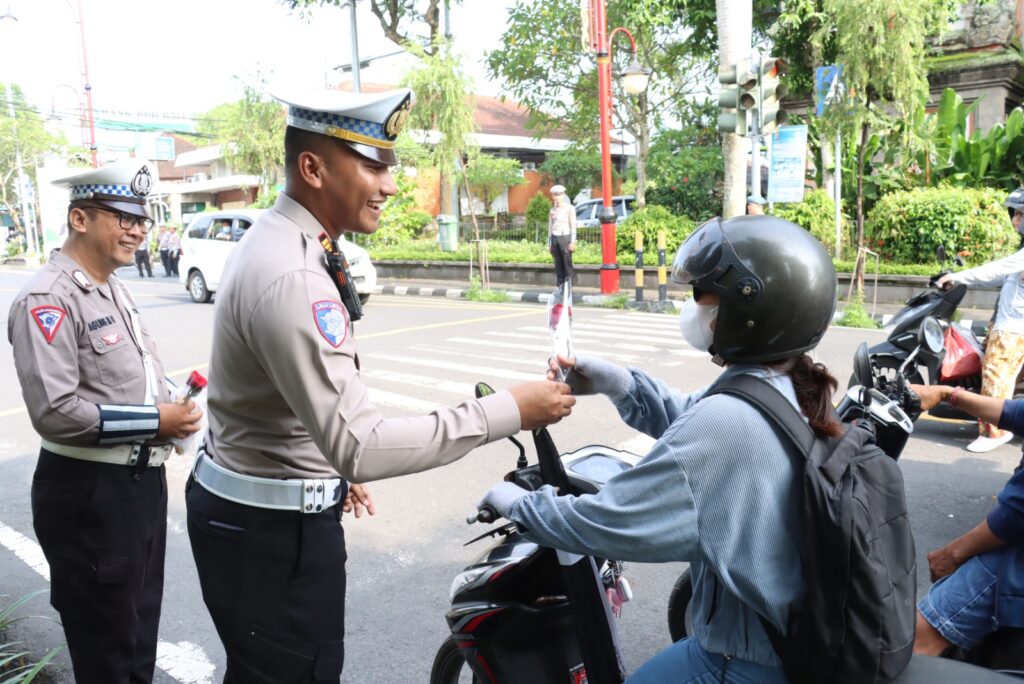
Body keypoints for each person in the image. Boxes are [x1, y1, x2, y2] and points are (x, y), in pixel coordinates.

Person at [185, 87, 576, 683]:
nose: (390, 184)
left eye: (388, 166)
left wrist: (328, 469)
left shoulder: (288, 240)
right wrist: (510, 411)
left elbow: (294, 405)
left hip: (254, 515)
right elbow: (361, 443)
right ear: (313, 168)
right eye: (372, 165)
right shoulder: (293, 273)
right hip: (270, 537)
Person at [481, 215, 839, 683]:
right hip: (784, 641)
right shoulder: (790, 383)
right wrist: (617, 382)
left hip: (741, 662)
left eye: (701, 294)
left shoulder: (729, 420)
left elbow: (605, 521)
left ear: (748, 306)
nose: (692, 306)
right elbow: (694, 413)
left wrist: (519, 503)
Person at [7, 159, 204, 683]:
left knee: (138, 637)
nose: (138, 230)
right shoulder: (48, 297)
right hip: (90, 493)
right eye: (122, 216)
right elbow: (56, 412)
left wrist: (173, 408)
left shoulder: (113, 287)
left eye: (141, 218)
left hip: (139, 486)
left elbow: (132, 378)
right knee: (107, 653)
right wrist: (156, 419)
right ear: (80, 219)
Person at [909, 383, 1024, 657]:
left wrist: (953, 553)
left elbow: (1016, 513)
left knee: (915, 641)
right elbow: (1017, 413)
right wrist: (948, 394)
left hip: (1017, 558)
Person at [936, 188, 1024, 452]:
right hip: (1010, 325)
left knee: (995, 378)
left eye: (1020, 213)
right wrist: (963, 276)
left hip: (1012, 330)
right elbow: (1000, 276)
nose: (1015, 219)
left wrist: (960, 278)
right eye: (1015, 213)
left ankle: (994, 432)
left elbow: (998, 268)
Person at [548, 184, 577, 287]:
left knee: (567, 264)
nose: (556, 197)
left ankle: (569, 288)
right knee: (558, 265)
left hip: (565, 237)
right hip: (555, 238)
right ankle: (560, 288)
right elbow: (550, 228)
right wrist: (549, 243)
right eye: (554, 195)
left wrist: (573, 241)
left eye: (559, 194)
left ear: (563, 195)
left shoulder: (570, 208)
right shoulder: (552, 210)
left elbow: (573, 225)